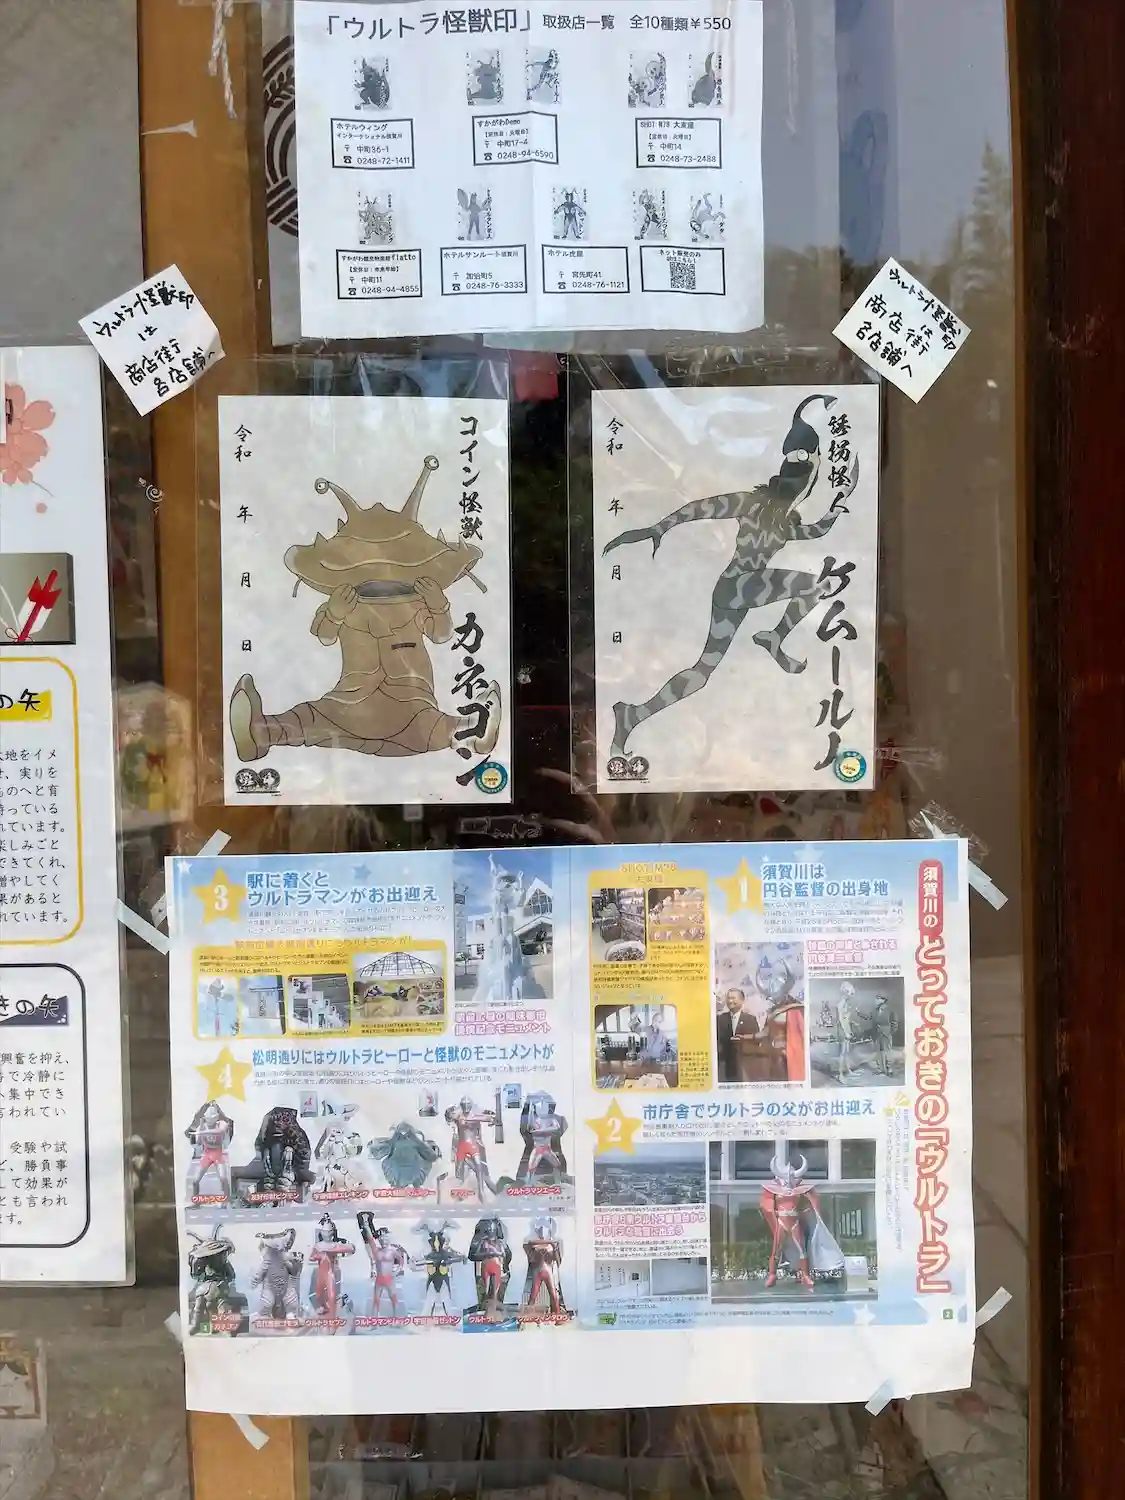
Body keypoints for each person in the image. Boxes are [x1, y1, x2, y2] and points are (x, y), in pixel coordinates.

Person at [716, 988, 757, 1082]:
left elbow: (755, 1041)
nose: (730, 1001)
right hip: (724, 1066)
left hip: (745, 1065)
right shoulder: (719, 1019)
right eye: (728, 998)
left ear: (742, 1000)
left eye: (733, 998)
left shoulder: (750, 1019)